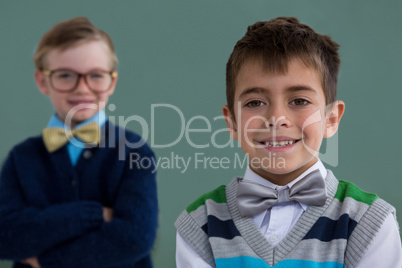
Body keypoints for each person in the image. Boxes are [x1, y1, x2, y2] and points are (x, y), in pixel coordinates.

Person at [175, 17, 402, 267]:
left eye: (299, 101)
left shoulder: (370, 222)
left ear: (331, 118)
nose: (276, 119)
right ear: (232, 123)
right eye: (255, 103)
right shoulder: (199, 224)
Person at [0, 17, 158, 268]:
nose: (82, 88)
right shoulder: (22, 157)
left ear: (112, 82)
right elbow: (6, 237)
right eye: (65, 75)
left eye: (96, 75)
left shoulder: (133, 150)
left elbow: (134, 239)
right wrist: (92, 214)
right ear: (43, 81)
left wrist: (45, 259)